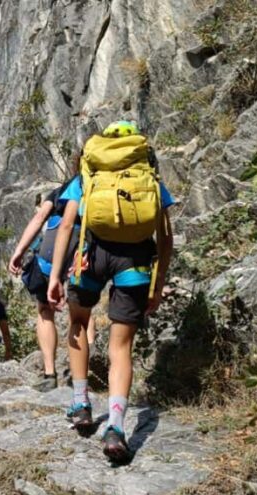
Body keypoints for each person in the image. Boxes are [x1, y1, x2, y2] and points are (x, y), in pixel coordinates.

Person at [47, 120, 174, 463]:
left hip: (90, 257)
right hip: (135, 262)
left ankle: (81, 404)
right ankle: (116, 427)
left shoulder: (87, 176)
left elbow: (66, 225)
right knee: (121, 346)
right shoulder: (148, 178)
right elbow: (165, 237)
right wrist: (157, 283)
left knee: (78, 323)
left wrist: (55, 276)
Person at [8, 173, 95, 386]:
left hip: (53, 249)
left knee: (45, 309)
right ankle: (88, 366)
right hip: (85, 251)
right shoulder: (103, 187)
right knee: (82, 311)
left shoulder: (63, 190)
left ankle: (50, 374)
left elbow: (39, 218)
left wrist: (19, 251)